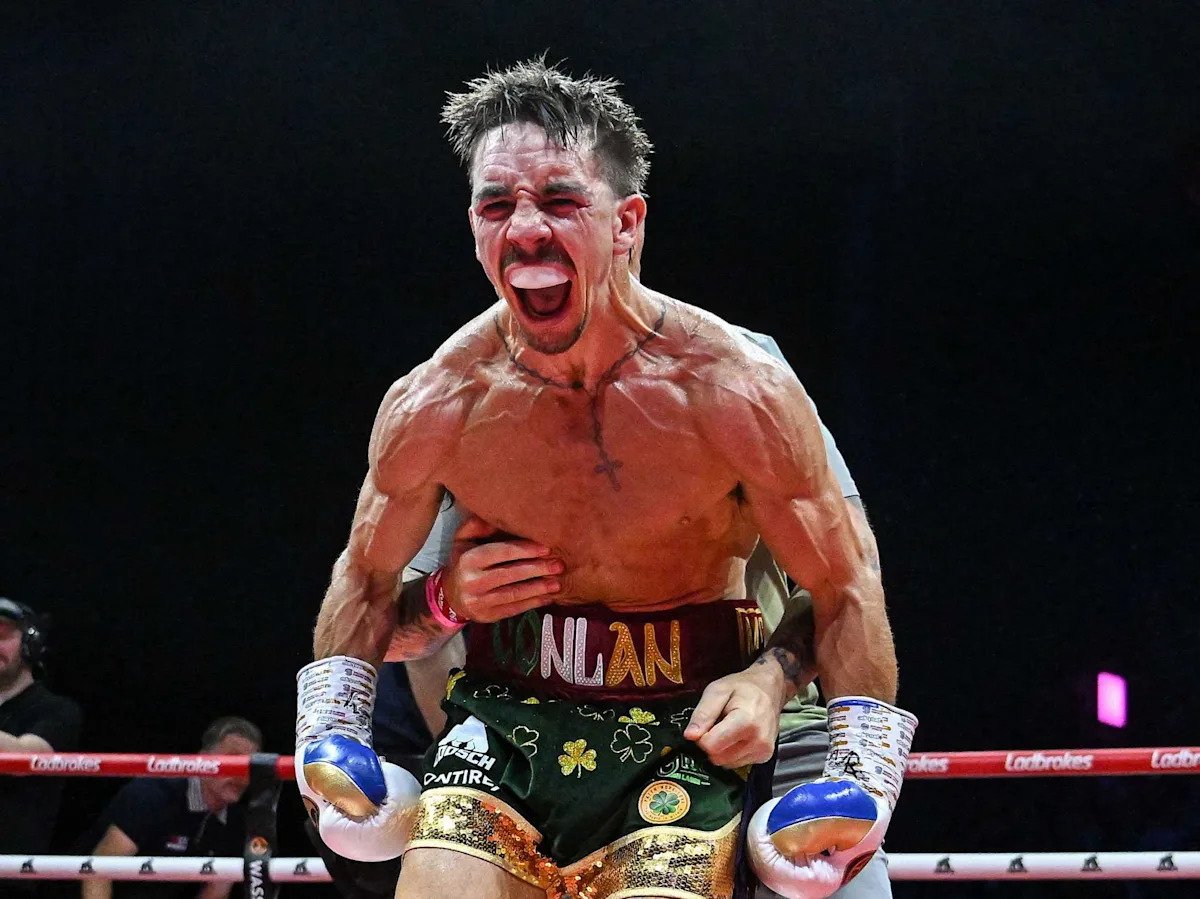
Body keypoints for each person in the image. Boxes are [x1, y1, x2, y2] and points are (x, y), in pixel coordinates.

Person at [295, 59, 916, 899]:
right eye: (495, 205)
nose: (524, 229)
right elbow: (370, 587)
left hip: (696, 725)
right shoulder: (441, 401)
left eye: (559, 200)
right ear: (473, 225)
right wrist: (347, 714)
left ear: (627, 223)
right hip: (502, 719)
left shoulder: (740, 387)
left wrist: (859, 772)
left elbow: (845, 585)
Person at [76, 716, 262, 899]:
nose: (241, 775)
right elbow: (97, 872)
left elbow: (216, 891)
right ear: (204, 760)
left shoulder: (236, 821)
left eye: (248, 766)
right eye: (233, 762)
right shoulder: (152, 795)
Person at [0, 597, 83, 873]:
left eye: (1, 634)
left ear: (29, 644)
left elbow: (23, 758)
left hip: (10, 876)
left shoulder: (58, 711)